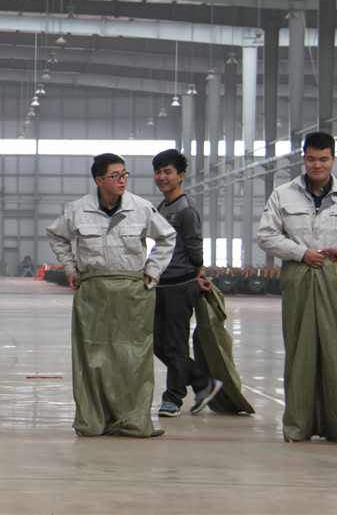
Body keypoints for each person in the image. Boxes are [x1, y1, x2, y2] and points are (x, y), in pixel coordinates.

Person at [46, 153, 176, 438]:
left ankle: (132, 418)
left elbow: (167, 237)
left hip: (133, 294)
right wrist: (69, 267)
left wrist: (153, 270)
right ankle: (94, 419)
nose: (122, 180)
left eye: (124, 174)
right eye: (115, 176)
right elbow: (56, 235)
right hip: (93, 294)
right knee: (93, 357)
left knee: (133, 357)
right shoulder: (78, 210)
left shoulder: (140, 208)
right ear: (99, 180)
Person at [257, 132, 337, 444]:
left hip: (335, 279)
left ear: (333, 159)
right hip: (298, 276)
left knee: (334, 351)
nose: (317, 165)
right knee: (300, 350)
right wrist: (300, 253)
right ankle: (299, 425)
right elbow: (266, 235)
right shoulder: (283, 195)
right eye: (311, 159)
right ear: (303, 159)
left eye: (323, 159)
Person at [150, 149, 221, 417]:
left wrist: (197, 274)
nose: (162, 177)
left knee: (176, 345)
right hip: (161, 284)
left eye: (168, 172)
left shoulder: (186, 210)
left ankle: (173, 398)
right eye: (158, 172)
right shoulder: (162, 208)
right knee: (158, 344)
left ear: (181, 175)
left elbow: (195, 247)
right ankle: (202, 382)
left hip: (180, 285)